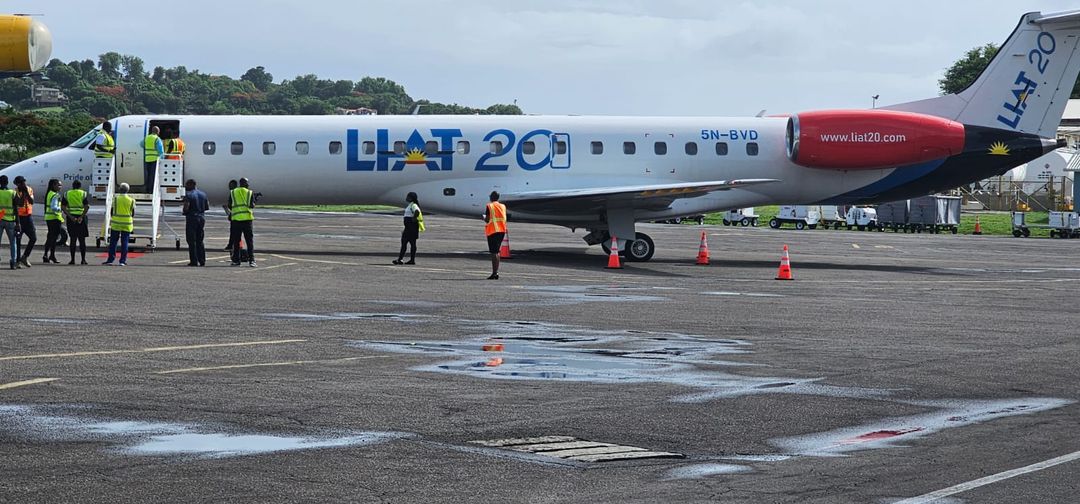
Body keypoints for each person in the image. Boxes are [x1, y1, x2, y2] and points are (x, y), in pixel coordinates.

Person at [103, 183, 135, 266]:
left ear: (120, 189)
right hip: (127, 224)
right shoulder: (131, 200)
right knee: (125, 242)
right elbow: (133, 213)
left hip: (116, 223)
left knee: (113, 242)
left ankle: (110, 260)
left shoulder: (116, 199)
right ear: (128, 190)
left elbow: (112, 210)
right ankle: (122, 261)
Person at [229, 177, 256, 267]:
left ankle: (236, 260)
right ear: (244, 183)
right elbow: (251, 205)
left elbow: (229, 205)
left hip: (236, 220)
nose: (248, 185)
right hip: (247, 220)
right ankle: (252, 260)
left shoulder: (233, 192)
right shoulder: (249, 192)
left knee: (236, 241)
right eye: (247, 183)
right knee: (249, 241)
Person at [182, 179, 209, 266]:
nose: (186, 187)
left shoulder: (188, 195)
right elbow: (206, 207)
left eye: (187, 185)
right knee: (200, 240)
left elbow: (186, 207)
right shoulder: (203, 194)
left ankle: (194, 261)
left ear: (191, 185)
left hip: (192, 218)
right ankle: (202, 260)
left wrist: (185, 212)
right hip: (201, 218)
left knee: (191, 240)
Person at [62, 179, 90, 265]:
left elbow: (63, 207)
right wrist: (81, 217)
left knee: (73, 240)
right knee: (82, 240)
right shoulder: (83, 193)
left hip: (71, 219)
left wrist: (71, 217)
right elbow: (87, 206)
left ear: (72, 186)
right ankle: (83, 260)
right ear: (80, 186)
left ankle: (72, 259)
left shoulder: (67, 194)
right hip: (81, 218)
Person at [393, 192, 424, 265]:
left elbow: (417, 211)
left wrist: (414, 218)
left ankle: (400, 259)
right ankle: (411, 260)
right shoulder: (411, 205)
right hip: (410, 227)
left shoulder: (413, 205)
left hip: (411, 227)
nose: (406, 198)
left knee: (405, 242)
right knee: (411, 243)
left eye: (408, 196)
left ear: (411, 198)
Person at [483, 191, 508, 280]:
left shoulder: (490, 206)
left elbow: (487, 219)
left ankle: (495, 273)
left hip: (493, 230)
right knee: (496, 252)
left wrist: (484, 217)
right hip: (502, 230)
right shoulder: (503, 206)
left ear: (491, 197)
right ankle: (495, 272)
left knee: (494, 253)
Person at [41, 179, 64, 264]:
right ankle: (52, 255)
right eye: (59, 185)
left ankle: (46, 254)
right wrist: (60, 209)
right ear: (54, 185)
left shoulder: (49, 194)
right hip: (55, 218)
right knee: (54, 238)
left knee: (50, 237)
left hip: (49, 218)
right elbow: (54, 207)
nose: (60, 187)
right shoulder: (55, 195)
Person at [13, 176, 34, 269]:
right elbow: (20, 203)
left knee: (33, 238)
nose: (22, 185)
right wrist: (22, 194)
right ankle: (17, 261)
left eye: (23, 182)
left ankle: (24, 257)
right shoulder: (15, 191)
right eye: (20, 183)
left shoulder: (29, 189)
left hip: (28, 218)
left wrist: (27, 193)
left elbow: (32, 201)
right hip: (19, 218)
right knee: (18, 240)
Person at [0, 175, 20, 270]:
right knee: (12, 242)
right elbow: (16, 207)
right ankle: (13, 261)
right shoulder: (12, 193)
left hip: (0, 219)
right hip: (10, 220)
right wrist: (18, 223)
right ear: (8, 182)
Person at [143, 126, 164, 192]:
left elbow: (141, 144)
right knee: (153, 175)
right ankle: (151, 190)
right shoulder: (157, 139)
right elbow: (161, 151)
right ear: (158, 132)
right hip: (154, 159)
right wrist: (162, 158)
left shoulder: (147, 138)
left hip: (147, 159)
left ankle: (147, 189)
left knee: (148, 175)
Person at [222, 179, 239, 252]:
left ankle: (231, 246)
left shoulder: (233, 193)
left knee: (234, 233)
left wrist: (228, 211)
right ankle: (235, 246)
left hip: (235, 216)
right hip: (240, 216)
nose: (229, 187)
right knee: (237, 233)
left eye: (230, 185)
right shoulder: (238, 192)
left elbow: (230, 206)